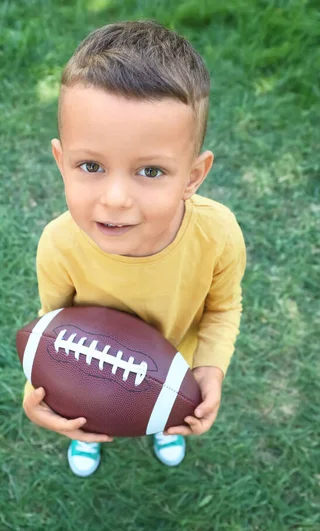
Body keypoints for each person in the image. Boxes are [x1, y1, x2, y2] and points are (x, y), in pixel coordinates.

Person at [22, 19, 247, 477]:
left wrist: (209, 368)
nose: (116, 198)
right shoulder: (60, 244)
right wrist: (41, 386)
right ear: (61, 163)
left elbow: (223, 309)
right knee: (92, 405)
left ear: (193, 176)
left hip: (175, 365)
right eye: (91, 165)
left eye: (150, 172)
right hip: (95, 371)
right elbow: (54, 331)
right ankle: (91, 423)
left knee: (169, 400)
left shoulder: (217, 234)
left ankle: (165, 415)